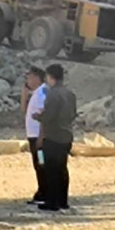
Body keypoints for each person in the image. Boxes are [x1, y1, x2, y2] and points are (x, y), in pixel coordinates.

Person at [35, 63, 76, 212]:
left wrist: (38, 117)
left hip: (53, 136)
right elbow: (73, 114)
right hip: (66, 135)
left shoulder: (52, 94)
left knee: (51, 170)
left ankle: (51, 201)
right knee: (62, 169)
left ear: (50, 76)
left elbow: (49, 116)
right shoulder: (70, 94)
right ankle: (63, 200)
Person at [22, 67, 49, 205]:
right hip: (33, 136)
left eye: (29, 77)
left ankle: (44, 192)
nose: (28, 80)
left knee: (41, 163)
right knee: (38, 164)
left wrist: (41, 137)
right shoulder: (35, 93)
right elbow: (25, 111)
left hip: (39, 138)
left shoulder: (41, 94)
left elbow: (44, 116)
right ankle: (41, 191)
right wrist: (24, 95)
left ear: (36, 78)